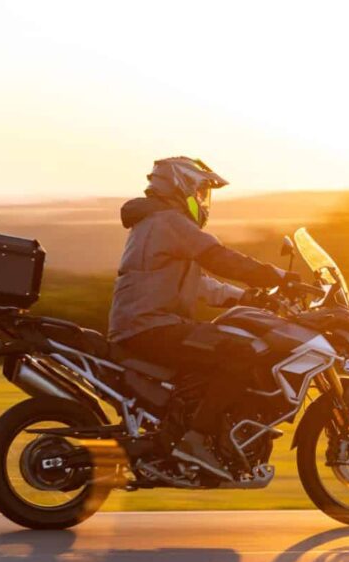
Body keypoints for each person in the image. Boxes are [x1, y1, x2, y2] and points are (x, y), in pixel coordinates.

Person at [108, 156, 291, 473]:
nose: (203, 201)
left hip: (146, 325)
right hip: (151, 328)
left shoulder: (155, 221)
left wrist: (246, 297)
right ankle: (195, 440)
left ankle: (187, 431)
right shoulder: (169, 221)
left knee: (218, 353)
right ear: (183, 186)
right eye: (201, 192)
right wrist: (277, 276)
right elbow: (219, 258)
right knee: (240, 353)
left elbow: (199, 285)